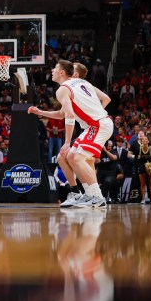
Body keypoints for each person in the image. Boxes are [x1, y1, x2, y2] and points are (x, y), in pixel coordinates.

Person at [28, 60, 113, 208]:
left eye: (55, 68)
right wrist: (40, 112)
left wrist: (67, 142)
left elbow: (69, 116)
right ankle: (80, 194)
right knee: (65, 157)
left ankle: (96, 196)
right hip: (95, 125)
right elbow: (62, 114)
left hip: (97, 125)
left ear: (62, 73)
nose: (52, 70)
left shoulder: (62, 89)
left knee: (75, 157)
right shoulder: (81, 82)